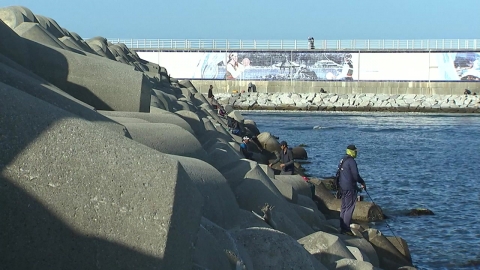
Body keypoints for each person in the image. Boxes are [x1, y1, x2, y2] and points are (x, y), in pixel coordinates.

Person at [337, 144, 366, 235]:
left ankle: (342, 226)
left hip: (342, 186)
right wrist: (362, 182)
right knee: (349, 207)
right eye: (355, 151)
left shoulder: (343, 160)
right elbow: (355, 175)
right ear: (352, 151)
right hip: (349, 188)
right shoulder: (351, 161)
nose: (356, 152)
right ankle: (346, 228)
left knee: (344, 207)